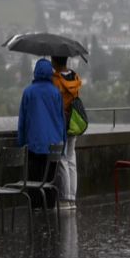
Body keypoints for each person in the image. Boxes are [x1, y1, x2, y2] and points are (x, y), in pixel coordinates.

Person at [17, 58, 66, 207]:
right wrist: (63, 142)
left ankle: (36, 211)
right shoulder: (56, 93)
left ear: (36, 72)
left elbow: (23, 121)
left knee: (34, 181)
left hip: (35, 145)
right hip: (53, 146)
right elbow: (61, 118)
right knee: (50, 181)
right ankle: (50, 210)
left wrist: (21, 142)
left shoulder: (28, 92)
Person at [51, 55, 82, 210]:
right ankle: (72, 198)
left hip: (61, 123)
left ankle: (64, 198)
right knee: (71, 160)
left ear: (54, 61)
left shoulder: (55, 80)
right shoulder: (74, 78)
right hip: (73, 123)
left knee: (62, 160)